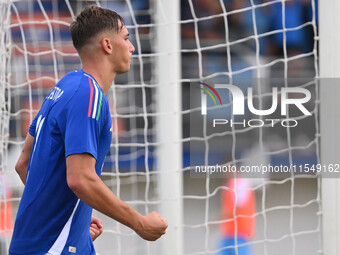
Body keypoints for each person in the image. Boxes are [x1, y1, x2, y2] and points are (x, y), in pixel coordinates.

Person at [9, 6, 168, 255]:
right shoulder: (89, 94)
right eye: (126, 38)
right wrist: (140, 223)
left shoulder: (64, 86)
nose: (132, 47)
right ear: (107, 44)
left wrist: (74, 223)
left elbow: (23, 164)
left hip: (38, 244)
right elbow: (80, 178)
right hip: (52, 249)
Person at [217, 178, 255, 255]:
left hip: (240, 233)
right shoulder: (230, 183)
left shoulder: (241, 182)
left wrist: (216, 220)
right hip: (228, 233)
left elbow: (237, 207)